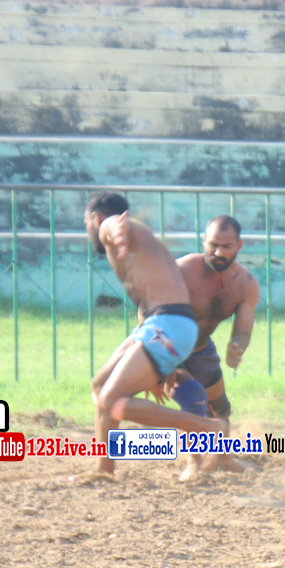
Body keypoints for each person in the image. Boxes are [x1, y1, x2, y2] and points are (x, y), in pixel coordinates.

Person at [77, 191, 228, 479]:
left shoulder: (116, 226)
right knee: (101, 386)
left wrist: (115, 231)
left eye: (87, 224)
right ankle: (103, 470)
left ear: (95, 219)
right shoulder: (140, 238)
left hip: (169, 324)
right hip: (158, 324)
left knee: (110, 398)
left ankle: (206, 426)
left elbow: (112, 225)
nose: (88, 230)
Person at [166, 215, 260, 479]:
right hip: (166, 347)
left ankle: (223, 458)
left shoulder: (245, 285)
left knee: (221, 409)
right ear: (203, 241)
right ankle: (193, 464)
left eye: (226, 246)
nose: (218, 252)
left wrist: (236, 347)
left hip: (201, 349)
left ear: (239, 245)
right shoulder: (182, 269)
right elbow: (147, 309)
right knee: (194, 398)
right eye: (213, 245)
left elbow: (243, 330)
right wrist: (164, 357)